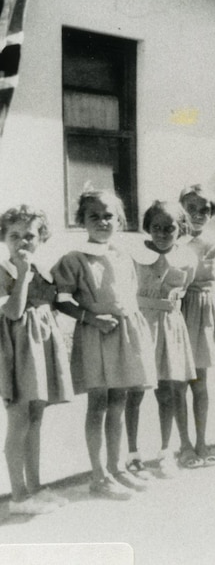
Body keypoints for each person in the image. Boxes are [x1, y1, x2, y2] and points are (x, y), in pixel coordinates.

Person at [53, 190, 156, 499]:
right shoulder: (75, 259)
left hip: (125, 333)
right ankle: (98, 475)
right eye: (94, 216)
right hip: (96, 334)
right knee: (98, 404)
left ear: (120, 220)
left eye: (108, 215)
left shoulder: (124, 254)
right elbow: (61, 300)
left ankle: (116, 467)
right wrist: (91, 318)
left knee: (119, 401)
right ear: (81, 221)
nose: (102, 222)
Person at [1, 206, 72, 514]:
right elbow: (15, 312)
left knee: (36, 419)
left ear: (41, 238)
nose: (22, 242)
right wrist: (23, 275)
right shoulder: (5, 271)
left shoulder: (42, 269)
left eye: (29, 236)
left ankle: (36, 486)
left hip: (40, 349)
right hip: (16, 352)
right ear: (4, 239)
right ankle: (18, 495)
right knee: (18, 421)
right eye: (14, 236)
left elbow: (50, 306)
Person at [127, 201, 198, 476]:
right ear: (148, 227)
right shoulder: (135, 255)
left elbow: (184, 288)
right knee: (135, 390)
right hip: (141, 323)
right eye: (156, 227)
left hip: (170, 324)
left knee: (167, 391)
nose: (162, 233)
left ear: (180, 228)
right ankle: (133, 454)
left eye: (169, 228)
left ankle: (165, 451)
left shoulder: (187, 257)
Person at [179, 184, 215, 467]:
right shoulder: (174, 241)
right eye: (191, 209)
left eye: (205, 210)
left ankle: (201, 442)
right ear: (181, 210)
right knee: (177, 382)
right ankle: (183, 445)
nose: (198, 215)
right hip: (178, 311)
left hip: (206, 313)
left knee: (200, 383)